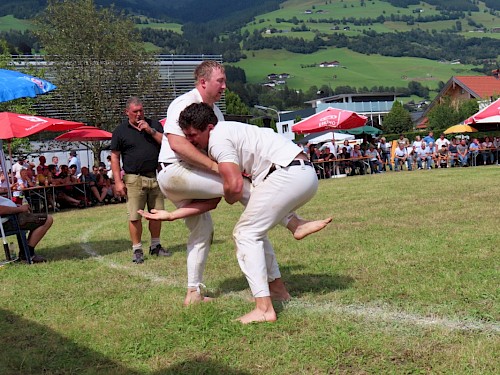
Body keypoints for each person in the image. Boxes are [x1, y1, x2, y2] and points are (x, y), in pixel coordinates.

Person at [156, 61, 328, 305]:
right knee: (253, 201)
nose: (225, 87)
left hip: (190, 176)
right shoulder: (184, 104)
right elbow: (178, 145)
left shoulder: (215, 115)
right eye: (220, 81)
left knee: (203, 229)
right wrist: (218, 169)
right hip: (175, 170)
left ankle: (193, 292)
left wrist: (174, 215)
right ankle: (292, 224)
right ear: (203, 82)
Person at [111, 96, 170, 264]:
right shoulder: (120, 132)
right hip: (133, 178)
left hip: (155, 175)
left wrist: (150, 130)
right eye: (135, 111)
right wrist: (118, 181)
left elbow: (166, 144)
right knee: (135, 216)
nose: (139, 114)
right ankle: (137, 249)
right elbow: (114, 157)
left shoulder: (154, 125)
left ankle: (155, 246)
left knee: (157, 214)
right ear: (127, 112)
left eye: (141, 111)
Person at [0, 195, 53, 263]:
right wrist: (20, 209)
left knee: (35, 219)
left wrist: (15, 206)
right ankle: (27, 254)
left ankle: (26, 252)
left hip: (8, 219)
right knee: (47, 219)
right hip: (7, 221)